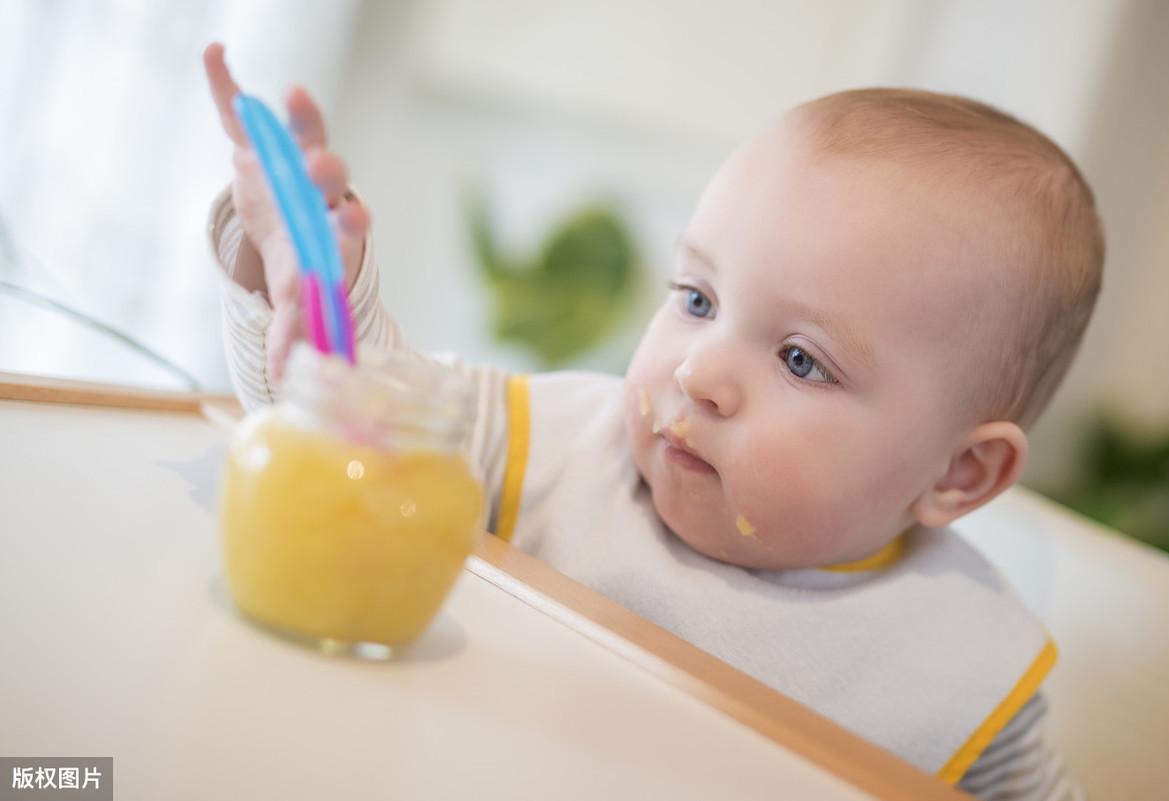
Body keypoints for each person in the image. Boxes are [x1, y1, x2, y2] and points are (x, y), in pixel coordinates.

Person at [203, 42, 1101, 800]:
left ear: (959, 473)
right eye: (697, 297)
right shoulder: (554, 448)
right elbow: (353, 413)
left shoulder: (958, 658)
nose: (699, 371)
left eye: (800, 360)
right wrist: (294, 277)